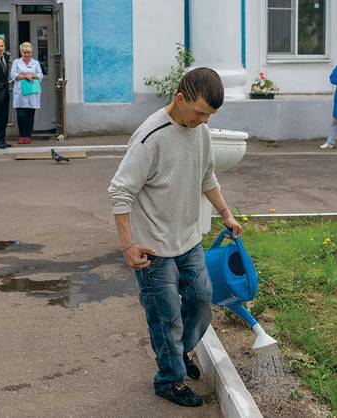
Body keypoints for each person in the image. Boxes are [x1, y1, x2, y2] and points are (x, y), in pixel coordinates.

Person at [108, 67, 242, 408]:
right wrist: (128, 246)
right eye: (199, 113)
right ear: (180, 99)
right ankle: (168, 379)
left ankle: (178, 354)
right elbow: (120, 191)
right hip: (152, 247)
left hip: (188, 238)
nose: (203, 121)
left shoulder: (201, 132)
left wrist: (226, 214)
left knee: (201, 301)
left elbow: (207, 176)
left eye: (209, 116)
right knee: (166, 318)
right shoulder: (150, 137)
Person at [10, 42, 43, 145]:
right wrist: (25, 76)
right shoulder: (16, 62)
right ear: (21, 52)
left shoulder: (35, 63)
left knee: (30, 115)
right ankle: (22, 135)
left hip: (32, 92)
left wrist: (32, 75)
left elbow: (40, 75)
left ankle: (28, 136)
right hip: (20, 93)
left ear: (31, 52)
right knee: (21, 115)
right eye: (24, 52)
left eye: (28, 52)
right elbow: (13, 75)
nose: (27, 55)